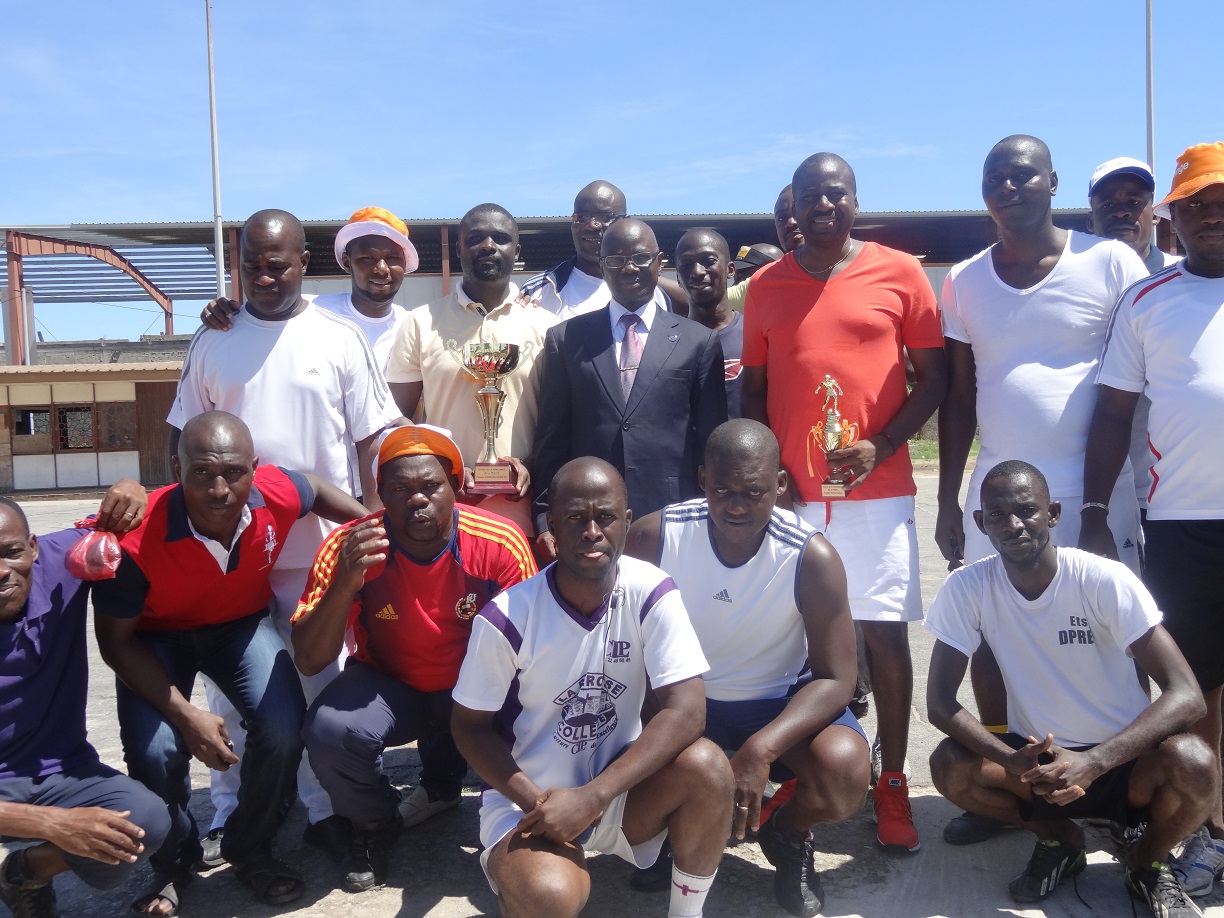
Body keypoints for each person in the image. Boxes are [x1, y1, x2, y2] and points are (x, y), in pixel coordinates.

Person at [167, 208, 403, 863]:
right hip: (236, 558)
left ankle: (326, 812)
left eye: (279, 263)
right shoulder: (212, 339)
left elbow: (370, 442)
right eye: (252, 265)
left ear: (304, 262)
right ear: (239, 266)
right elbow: (180, 441)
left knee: (324, 687)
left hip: (321, 555)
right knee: (234, 694)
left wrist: (370, 528)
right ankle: (231, 810)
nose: (265, 276)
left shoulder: (340, 337)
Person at [934, 135, 1151, 846]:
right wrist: (946, 501)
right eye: (995, 175)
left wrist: (1094, 508)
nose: (1009, 185)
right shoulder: (964, 279)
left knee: (1114, 635)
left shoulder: (1110, 260)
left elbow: (1132, 381)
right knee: (992, 640)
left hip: (1094, 495)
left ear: (1053, 182)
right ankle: (1013, 772)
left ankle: (1122, 780)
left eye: (1023, 173)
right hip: (998, 502)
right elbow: (961, 398)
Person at [741, 152, 947, 852]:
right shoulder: (764, 285)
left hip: (876, 489)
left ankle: (892, 781)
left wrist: (881, 445)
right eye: (810, 196)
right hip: (794, 498)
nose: (824, 205)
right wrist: (768, 475)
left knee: (883, 633)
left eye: (837, 194)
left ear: (856, 200)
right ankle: (805, 772)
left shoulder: (900, 271)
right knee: (797, 641)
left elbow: (935, 379)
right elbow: (753, 392)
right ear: (791, 207)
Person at [91, 411, 367, 913]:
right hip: (154, 638)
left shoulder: (274, 492)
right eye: (202, 472)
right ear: (177, 469)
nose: (220, 489)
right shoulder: (134, 537)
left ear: (255, 468)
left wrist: (372, 522)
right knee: (155, 753)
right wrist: (185, 715)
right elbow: (114, 644)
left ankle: (249, 847)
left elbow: (314, 487)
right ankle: (174, 865)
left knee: (284, 729)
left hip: (238, 628)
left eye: (234, 472)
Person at [451, 457, 735, 918]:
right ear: (550, 530)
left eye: (604, 517)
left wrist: (594, 797)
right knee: (549, 896)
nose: (591, 531)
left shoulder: (653, 592)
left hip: (617, 790)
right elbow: (469, 727)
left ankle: (687, 913)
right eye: (575, 518)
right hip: (529, 802)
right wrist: (538, 803)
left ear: (625, 523)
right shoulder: (507, 617)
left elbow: (687, 711)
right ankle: (521, 879)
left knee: (708, 766)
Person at [928, 460, 1213, 917]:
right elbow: (940, 703)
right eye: (997, 514)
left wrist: (1096, 762)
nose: (1013, 525)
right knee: (950, 766)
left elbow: (1186, 694)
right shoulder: (968, 586)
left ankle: (1146, 860)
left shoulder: (1102, 579)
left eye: (1027, 511)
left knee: (1195, 763)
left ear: (1054, 514)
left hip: (1123, 762)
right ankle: (1061, 839)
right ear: (980, 523)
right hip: (1038, 763)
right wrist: (1011, 759)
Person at [625, 420, 869, 917]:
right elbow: (624, 647)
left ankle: (787, 832)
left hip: (776, 704)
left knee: (845, 773)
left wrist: (762, 749)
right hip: (684, 703)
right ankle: (674, 825)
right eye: (723, 490)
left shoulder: (810, 554)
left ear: (780, 484)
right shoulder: (656, 535)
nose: (736, 505)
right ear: (702, 480)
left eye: (754, 492)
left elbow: (837, 677)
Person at [292, 425, 536, 892]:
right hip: (390, 684)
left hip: (474, 693)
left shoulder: (499, 542)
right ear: (380, 494)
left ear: (457, 489)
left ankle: (500, 808)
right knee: (328, 730)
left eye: (430, 486)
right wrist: (346, 580)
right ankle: (375, 821)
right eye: (401, 489)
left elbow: (534, 653)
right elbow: (309, 658)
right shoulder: (352, 544)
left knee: (531, 708)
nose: (417, 500)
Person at [1081, 142, 1224, 899]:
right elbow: (1112, 416)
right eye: (1196, 204)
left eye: (1221, 202)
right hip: (1183, 526)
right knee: (1199, 690)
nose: (1211, 216)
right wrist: (1098, 510)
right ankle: (1207, 832)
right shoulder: (1149, 303)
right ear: (1174, 217)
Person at [0, 485, 169, 918]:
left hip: (59, 770)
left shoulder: (66, 560)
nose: (1, 571)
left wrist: (134, 489)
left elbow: (146, 510)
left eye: (11, 552)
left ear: (34, 547)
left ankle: (26, 871)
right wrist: (56, 825)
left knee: (142, 823)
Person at [530, 218, 727, 560]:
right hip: (590, 519)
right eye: (616, 260)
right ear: (603, 267)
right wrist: (544, 518)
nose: (629, 268)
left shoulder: (699, 341)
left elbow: (710, 440)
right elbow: (552, 438)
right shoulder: (566, 339)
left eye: (640, 258)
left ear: (659, 262)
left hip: (674, 513)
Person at [385, 204, 556, 534]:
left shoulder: (548, 326)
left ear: (516, 251)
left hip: (524, 506)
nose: (488, 245)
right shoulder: (420, 322)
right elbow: (397, 419)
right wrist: (444, 464)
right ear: (459, 248)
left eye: (501, 238)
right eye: (476, 238)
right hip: (445, 505)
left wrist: (530, 465)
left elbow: (558, 424)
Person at [200, 205, 419, 371]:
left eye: (392, 258)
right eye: (366, 259)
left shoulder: (413, 328)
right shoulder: (313, 311)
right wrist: (221, 311)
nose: (381, 269)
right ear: (346, 261)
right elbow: (259, 315)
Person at [1085, 158, 1182, 530]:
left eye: (1135, 201)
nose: (1122, 210)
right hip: (1088, 485)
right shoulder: (1069, 282)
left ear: (1155, 214)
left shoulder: (1184, 280)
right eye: (1107, 204)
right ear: (1091, 220)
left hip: (1165, 488)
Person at [520, 181, 627, 320]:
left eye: (604, 217)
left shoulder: (650, 289)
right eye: (581, 217)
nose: (591, 226)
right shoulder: (537, 291)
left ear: (625, 222)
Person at [673, 229, 745, 418]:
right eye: (686, 265)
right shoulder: (668, 343)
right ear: (678, 278)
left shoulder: (755, 335)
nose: (697, 272)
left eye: (709, 261)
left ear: (730, 269)